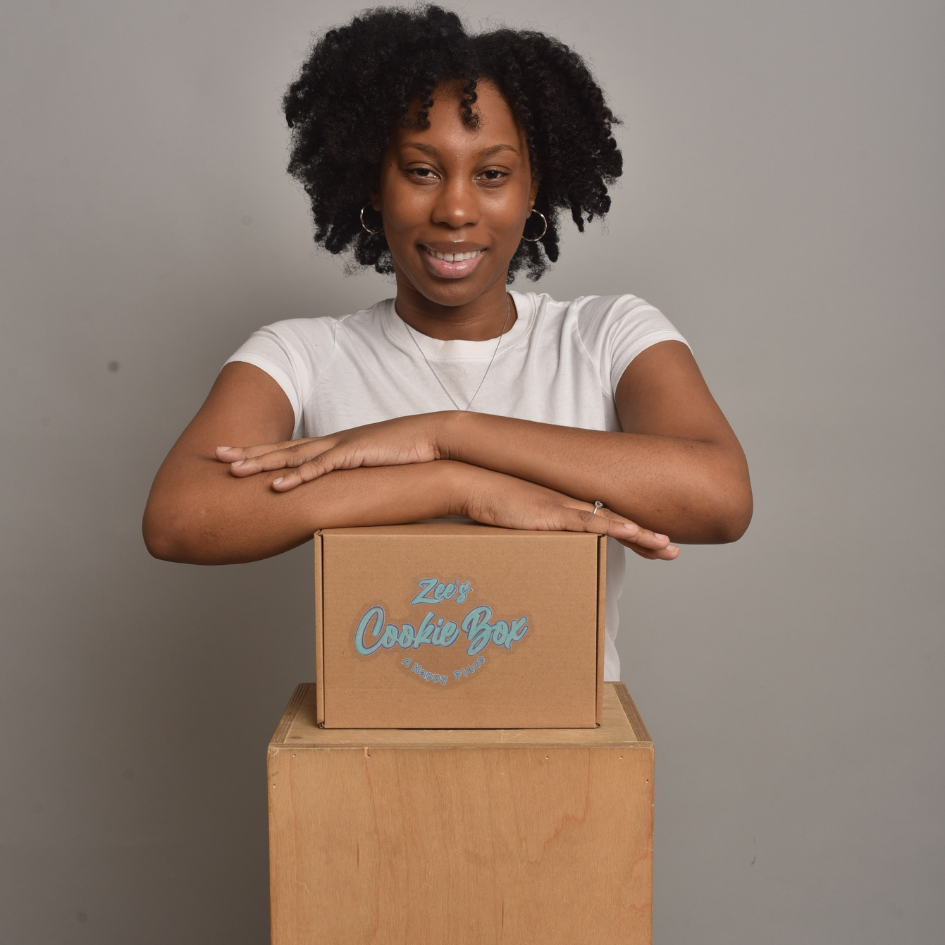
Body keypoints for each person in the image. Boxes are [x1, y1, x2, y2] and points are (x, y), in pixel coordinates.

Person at [142, 4, 752, 682]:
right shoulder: (302, 355)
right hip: (366, 753)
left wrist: (447, 431)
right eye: (421, 170)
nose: (455, 209)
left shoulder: (607, 336)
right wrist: (453, 485)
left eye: (491, 174)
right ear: (374, 182)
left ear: (533, 190)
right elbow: (178, 519)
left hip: (570, 753)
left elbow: (720, 500)